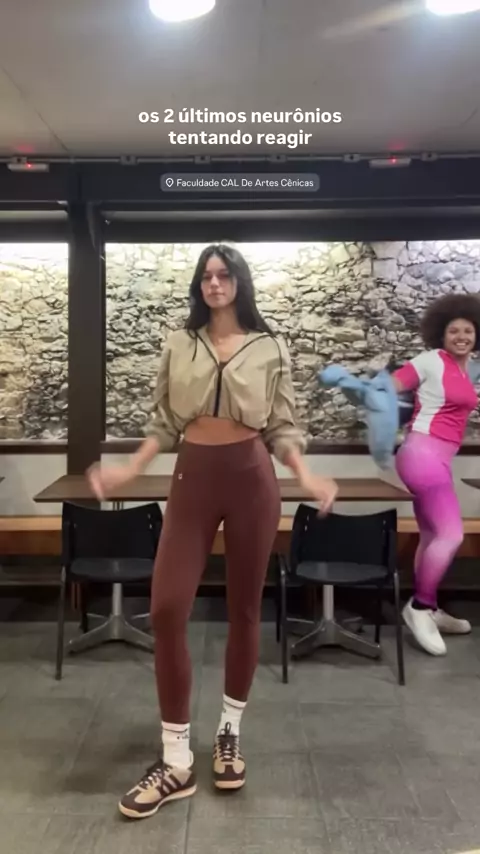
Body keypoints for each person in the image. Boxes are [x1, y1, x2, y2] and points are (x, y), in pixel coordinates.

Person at [87, 243, 338, 819]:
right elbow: (163, 422)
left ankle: (229, 733)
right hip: (193, 477)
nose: (215, 283)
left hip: (252, 478)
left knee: (245, 610)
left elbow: (282, 425)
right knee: (167, 607)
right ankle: (176, 759)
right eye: (206, 276)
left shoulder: (270, 346)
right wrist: (129, 468)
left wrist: (305, 475)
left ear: (239, 282)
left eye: (224, 275)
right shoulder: (180, 342)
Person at [392, 293, 480, 656]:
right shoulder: (430, 360)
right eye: (453, 331)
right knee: (451, 534)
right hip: (422, 454)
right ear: (441, 335)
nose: (461, 336)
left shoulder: (466, 367)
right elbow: (391, 385)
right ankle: (420, 607)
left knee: (431, 535)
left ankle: (428, 606)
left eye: (468, 331)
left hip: (438, 458)